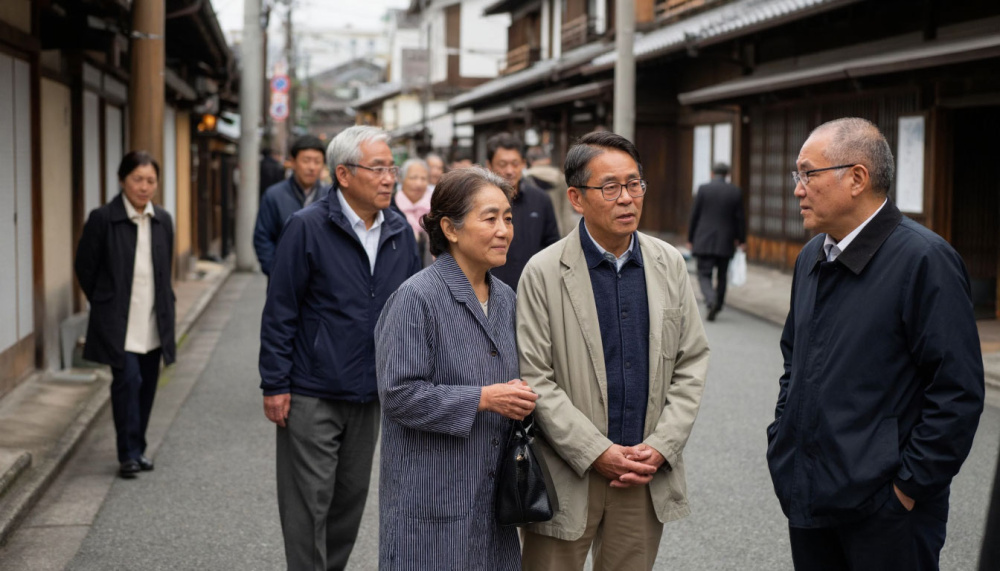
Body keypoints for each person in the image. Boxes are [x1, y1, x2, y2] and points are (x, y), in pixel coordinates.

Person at [767, 117, 985, 570]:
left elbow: (957, 393)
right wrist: (782, 444)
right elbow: (794, 361)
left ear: (857, 178)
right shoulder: (812, 257)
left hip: (887, 512)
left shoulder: (924, 260)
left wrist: (906, 489)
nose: (798, 189)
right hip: (809, 491)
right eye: (796, 176)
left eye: (808, 173)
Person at [517, 131, 710, 570]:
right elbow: (535, 376)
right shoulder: (543, 271)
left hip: (642, 471)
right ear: (577, 198)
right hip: (568, 470)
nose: (627, 198)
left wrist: (662, 445)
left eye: (634, 184)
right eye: (610, 187)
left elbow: (692, 360)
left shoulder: (669, 263)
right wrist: (594, 451)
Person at [258, 126, 421, 570]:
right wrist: (275, 383)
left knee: (349, 505)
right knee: (308, 506)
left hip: (371, 391)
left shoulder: (401, 232)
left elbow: (411, 311)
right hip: (312, 388)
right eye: (380, 168)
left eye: (393, 168)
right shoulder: (306, 227)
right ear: (344, 174)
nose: (391, 178)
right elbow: (281, 310)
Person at [375, 167, 537, 570]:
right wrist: (484, 398)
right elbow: (398, 394)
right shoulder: (417, 297)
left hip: (490, 493)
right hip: (431, 496)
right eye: (490, 218)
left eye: (508, 218)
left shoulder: (504, 297)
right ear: (450, 228)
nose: (504, 230)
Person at [74, 151, 176, 479]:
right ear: (122, 180)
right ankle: (127, 454)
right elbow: (85, 268)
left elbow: (164, 270)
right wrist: (105, 302)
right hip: (119, 321)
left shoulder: (162, 219)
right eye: (137, 179)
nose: (144, 187)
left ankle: (139, 447)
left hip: (152, 319)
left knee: (147, 385)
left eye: (150, 181)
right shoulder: (103, 218)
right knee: (127, 382)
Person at [486, 133, 560, 290]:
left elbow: (553, 247)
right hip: (489, 291)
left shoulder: (541, 200)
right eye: (502, 164)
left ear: (523, 164)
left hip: (532, 290)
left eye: (515, 163)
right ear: (489, 165)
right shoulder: (479, 203)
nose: (510, 170)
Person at [253, 135, 330, 276]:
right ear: (293, 162)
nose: (312, 167)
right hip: (283, 277)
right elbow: (262, 237)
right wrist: (275, 271)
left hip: (323, 282)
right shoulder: (274, 195)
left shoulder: (331, 196)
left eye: (317, 162)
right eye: (306, 161)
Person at [687, 162, 746, 321]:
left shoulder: (703, 189)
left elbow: (695, 215)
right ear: (727, 175)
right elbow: (740, 218)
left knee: (703, 274)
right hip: (725, 241)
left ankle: (710, 299)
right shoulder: (735, 191)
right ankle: (718, 304)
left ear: (712, 173)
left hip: (704, 239)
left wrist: (690, 238)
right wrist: (742, 239)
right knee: (722, 275)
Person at [525, 146, 578, 237]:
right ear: (548, 160)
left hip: (532, 232)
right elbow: (566, 211)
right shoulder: (561, 178)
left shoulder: (524, 179)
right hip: (558, 231)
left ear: (530, 161)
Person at [395, 158, 434, 266]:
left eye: (423, 178)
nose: (419, 183)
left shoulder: (437, 209)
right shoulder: (392, 208)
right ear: (401, 180)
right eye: (413, 178)